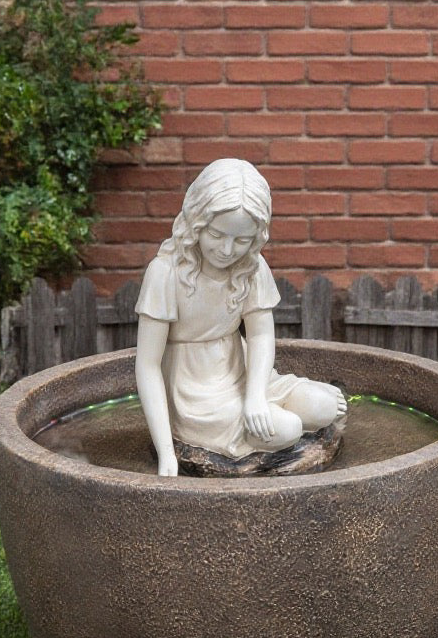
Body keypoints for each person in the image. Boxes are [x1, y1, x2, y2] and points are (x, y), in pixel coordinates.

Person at [135, 157, 346, 476]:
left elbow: (260, 335)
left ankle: (265, 415)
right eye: (217, 235)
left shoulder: (251, 267)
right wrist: (167, 453)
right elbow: (148, 365)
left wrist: (256, 397)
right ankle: (262, 425)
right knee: (287, 429)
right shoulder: (165, 274)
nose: (228, 249)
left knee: (324, 407)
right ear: (196, 221)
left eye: (242, 240)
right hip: (195, 387)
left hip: (242, 367)